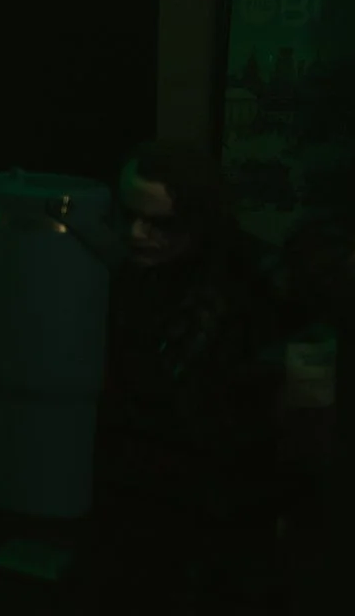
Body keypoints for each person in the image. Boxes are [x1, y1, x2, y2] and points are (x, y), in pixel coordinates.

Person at [97, 140, 287, 607]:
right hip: (137, 498)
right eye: (130, 216)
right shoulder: (131, 272)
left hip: (218, 513)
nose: (138, 232)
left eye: (161, 223)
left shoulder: (256, 284)